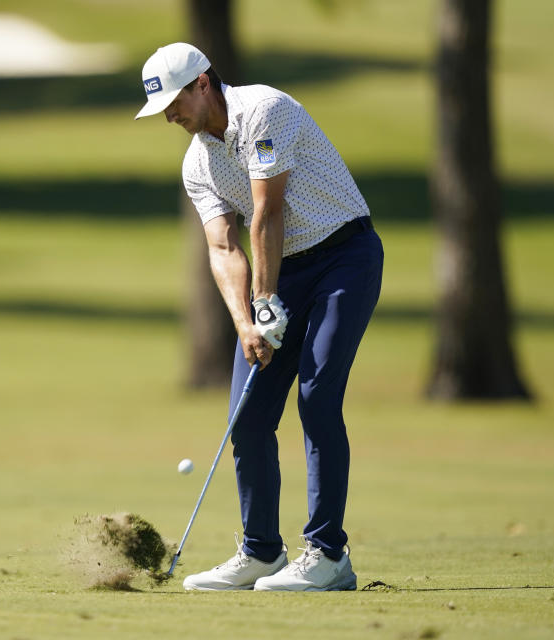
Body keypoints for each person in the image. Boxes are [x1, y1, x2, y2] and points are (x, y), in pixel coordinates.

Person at [135, 43, 383, 591]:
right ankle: (261, 553)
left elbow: (268, 210)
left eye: (173, 103)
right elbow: (223, 248)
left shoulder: (264, 110)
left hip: (344, 256)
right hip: (284, 273)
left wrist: (266, 299)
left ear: (202, 83)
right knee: (247, 418)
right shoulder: (197, 162)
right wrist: (247, 321)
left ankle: (327, 555)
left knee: (317, 398)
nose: (170, 117)